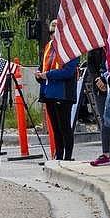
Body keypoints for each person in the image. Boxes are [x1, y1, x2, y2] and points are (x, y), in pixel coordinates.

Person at [37, 20, 79, 160]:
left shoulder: (70, 48)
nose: (52, 36)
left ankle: (68, 157)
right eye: (50, 33)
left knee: (64, 126)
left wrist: (48, 75)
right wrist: (39, 74)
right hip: (49, 92)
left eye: (55, 33)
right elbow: (43, 66)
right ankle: (59, 155)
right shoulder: (48, 47)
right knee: (55, 127)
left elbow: (68, 71)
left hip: (63, 93)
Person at [84, 46, 110, 167]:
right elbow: (90, 63)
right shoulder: (96, 44)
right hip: (100, 85)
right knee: (104, 119)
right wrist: (97, 79)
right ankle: (106, 153)